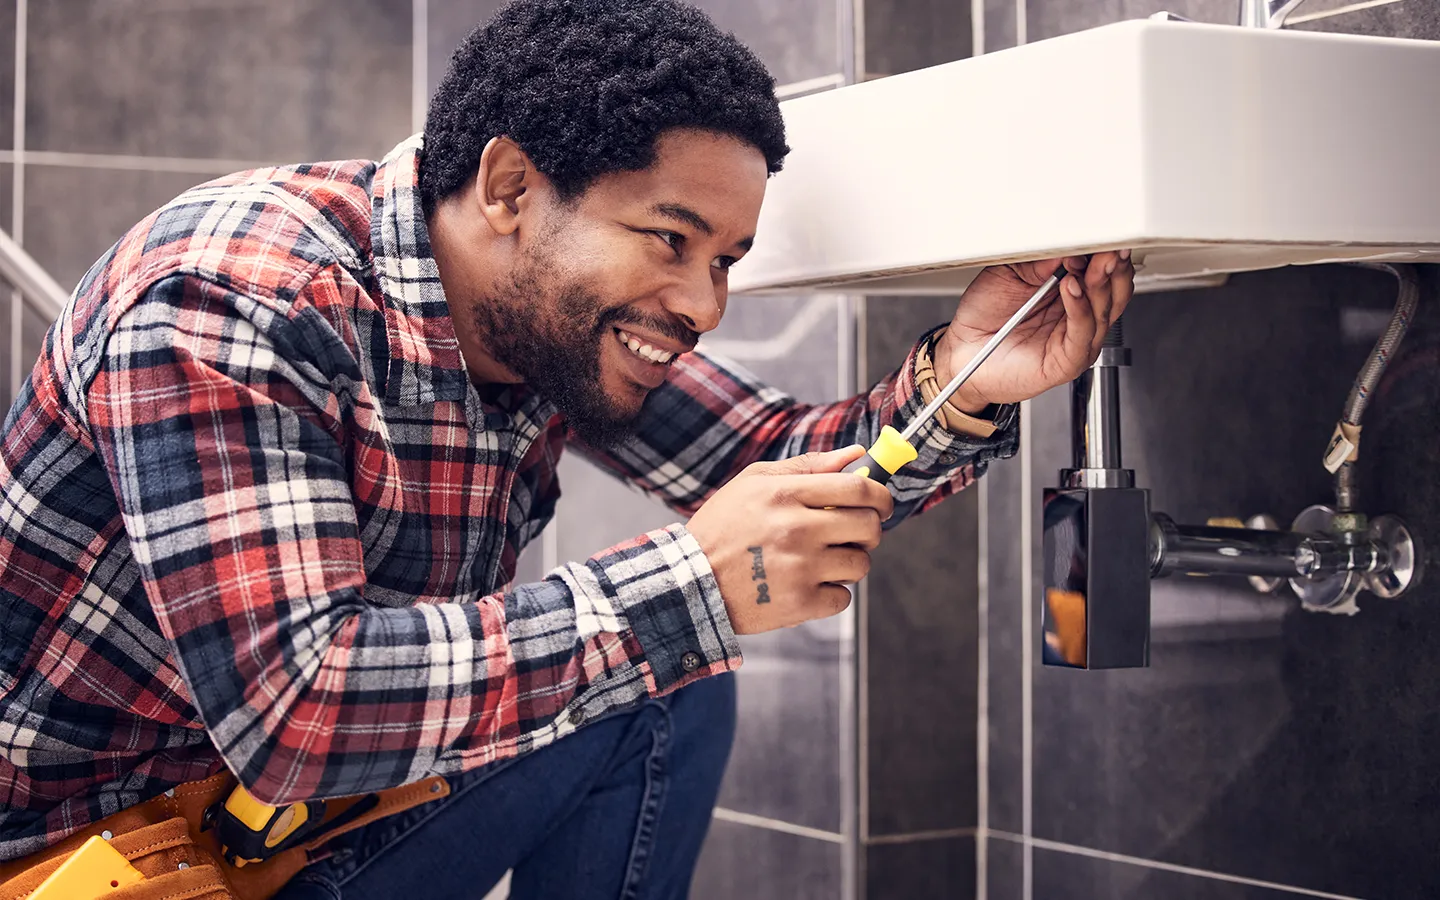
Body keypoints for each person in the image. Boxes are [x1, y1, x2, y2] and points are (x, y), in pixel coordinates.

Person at [0, 0, 1134, 897]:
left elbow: (775, 456)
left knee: (669, 676)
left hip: (264, 843)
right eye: (669, 239)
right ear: (509, 187)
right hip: (78, 871)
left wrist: (970, 380)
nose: (703, 302)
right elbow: (297, 712)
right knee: (669, 631)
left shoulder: (549, 327)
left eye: (726, 258)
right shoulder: (237, 298)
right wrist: (694, 575)